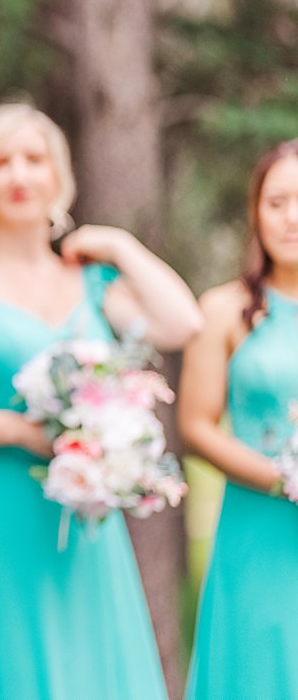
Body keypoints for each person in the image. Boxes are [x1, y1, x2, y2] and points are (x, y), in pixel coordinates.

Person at [0, 102, 199, 700]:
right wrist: (18, 432)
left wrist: (119, 245)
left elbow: (182, 323)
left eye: (34, 160)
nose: (19, 176)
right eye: (1, 162)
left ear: (59, 177)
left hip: (79, 520)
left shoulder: (91, 282)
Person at [178, 139, 298, 699]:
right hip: (259, 529)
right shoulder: (223, 309)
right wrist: (284, 478)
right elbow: (196, 426)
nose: (291, 217)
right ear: (255, 211)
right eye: (276, 202)